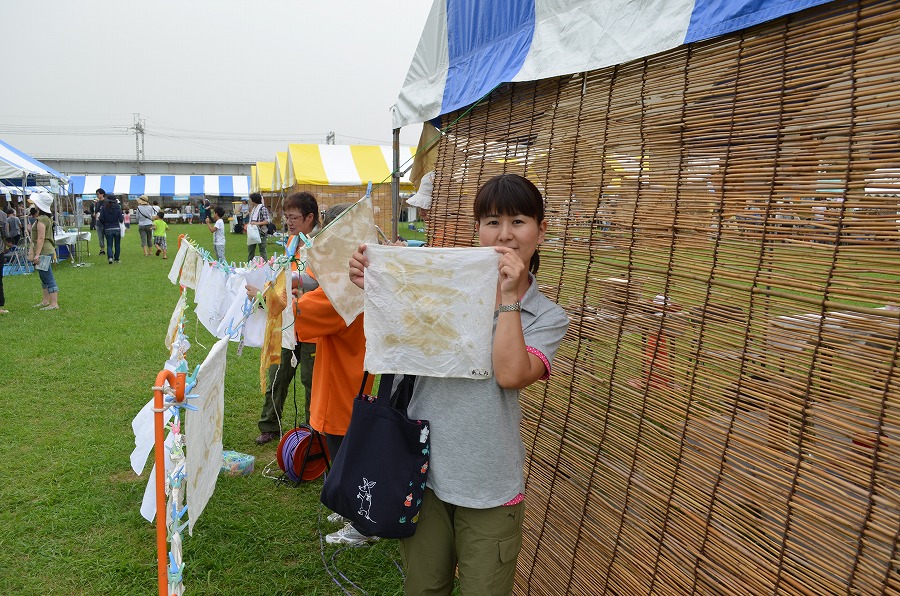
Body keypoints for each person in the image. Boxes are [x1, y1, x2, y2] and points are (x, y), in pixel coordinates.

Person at [349, 174, 569, 589]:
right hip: (422, 472)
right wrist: (379, 279)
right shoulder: (440, 288)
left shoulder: (547, 317)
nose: (504, 234)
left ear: (541, 230)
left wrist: (507, 299)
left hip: (489, 485)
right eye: (491, 222)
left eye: (518, 221)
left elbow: (510, 375)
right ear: (477, 231)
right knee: (423, 587)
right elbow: (398, 341)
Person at [247, 192, 320, 445]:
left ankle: (314, 428)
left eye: (294, 217)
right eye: (287, 216)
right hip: (287, 323)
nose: (289, 221)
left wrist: (286, 284)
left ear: (310, 217)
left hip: (311, 326)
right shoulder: (291, 241)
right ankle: (270, 425)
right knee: (278, 373)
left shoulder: (320, 245)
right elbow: (284, 277)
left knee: (312, 381)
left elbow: (317, 283)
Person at [27, 192, 60, 311]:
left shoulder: (41, 219)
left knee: (47, 276)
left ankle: (54, 303)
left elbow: (41, 238)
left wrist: (37, 254)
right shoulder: (47, 218)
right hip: (46, 250)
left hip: (44, 251)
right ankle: (46, 300)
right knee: (43, 276)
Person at [98, 194, 124, 264]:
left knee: (109, 244)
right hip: (116, 227)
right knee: (117, 244)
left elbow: (101, 218)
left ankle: (110, 257)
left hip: (107, 227)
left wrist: (105, 223)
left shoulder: (104, 207)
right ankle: (116, 258)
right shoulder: (118, 207)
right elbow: (121, 219)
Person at [246, 192, 271, 261]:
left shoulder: (263, 209)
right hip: (252, 231)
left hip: (261, 232)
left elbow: (267, 221)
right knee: (251, 250)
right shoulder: (253, 209)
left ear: (253, 200)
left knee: (262, 250)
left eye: (250, 199)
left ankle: (265, 265)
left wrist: (256, 223)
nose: (249, 201)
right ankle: (249, 265)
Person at [95, 188, 107, 255]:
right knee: (100, 236)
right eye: (96, 194)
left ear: (102, 194)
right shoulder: (97, 203)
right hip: (98, 222)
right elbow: (96, 211)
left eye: (98, 194)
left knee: (107, 236)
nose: (97, 195)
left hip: (106, 222)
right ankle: (102, 249)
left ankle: (109, 248)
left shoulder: (106, 202)